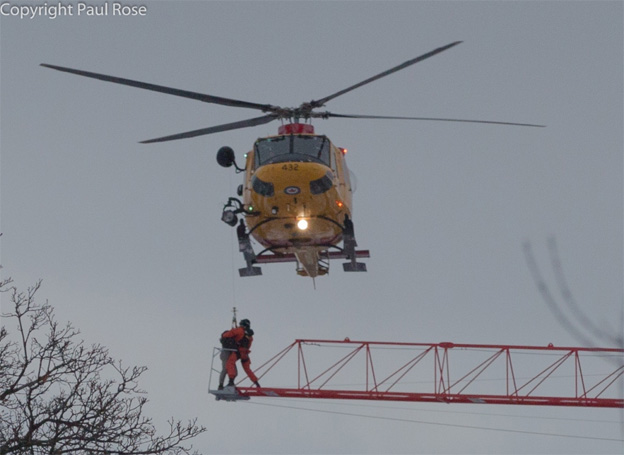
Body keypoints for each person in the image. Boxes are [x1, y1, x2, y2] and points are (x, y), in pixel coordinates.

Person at [218, 319, 260, 389]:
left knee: (230, 363)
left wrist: (226, 334)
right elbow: (248, 346)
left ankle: (230, 382)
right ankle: (257, 383)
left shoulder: (239, 330)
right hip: (245, 353)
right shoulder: (250, 337)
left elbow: (226, 335)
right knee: (247, 369)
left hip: (237, 352)